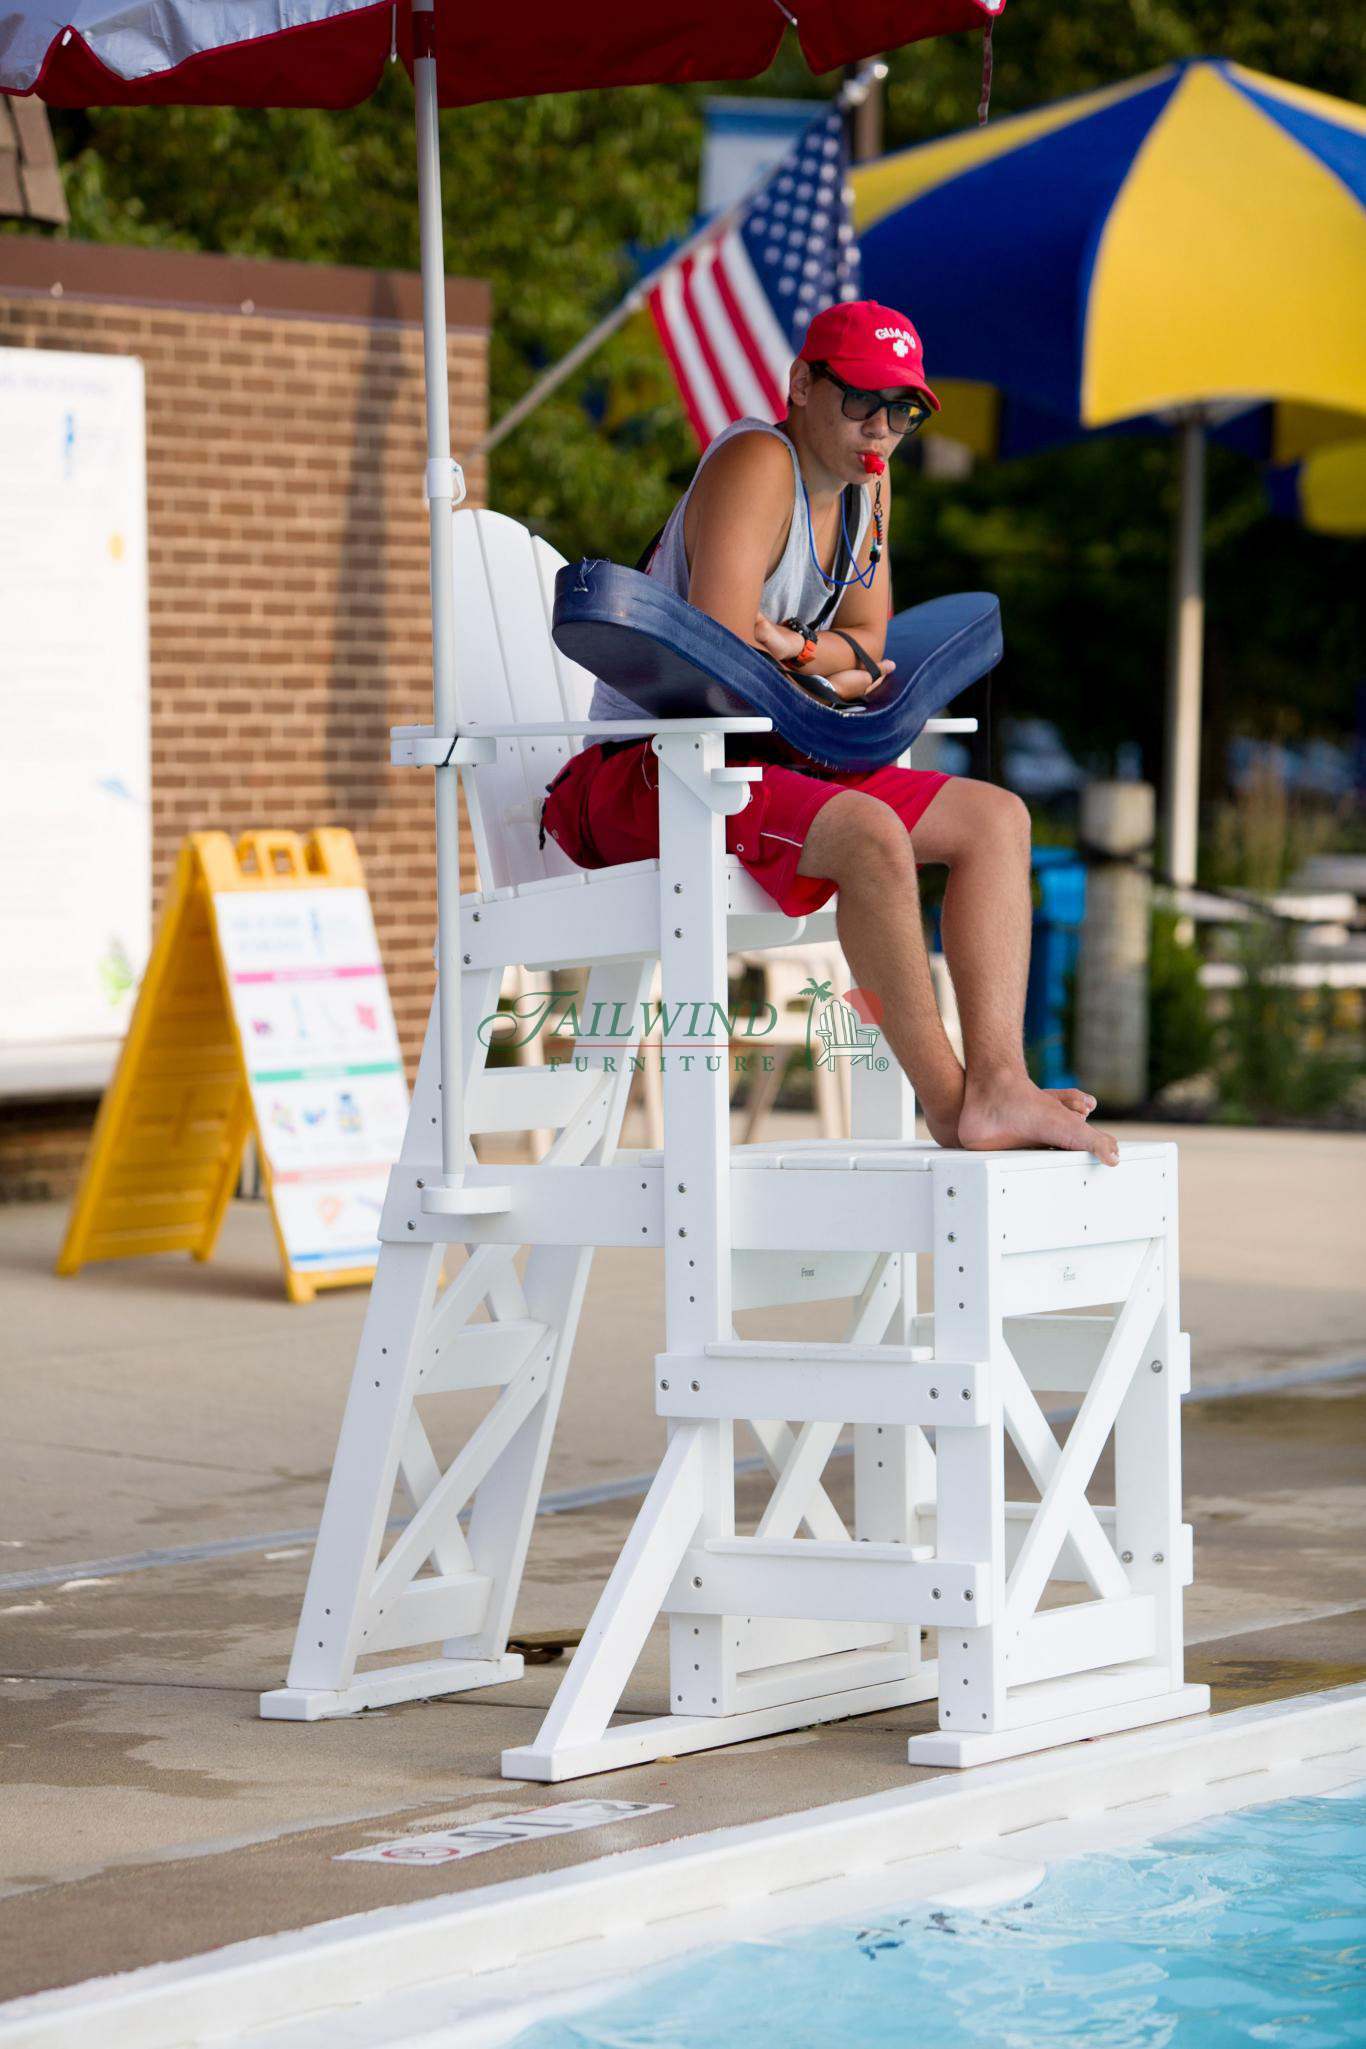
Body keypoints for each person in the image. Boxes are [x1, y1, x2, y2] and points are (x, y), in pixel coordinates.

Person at [540, 299, 1116, 1164]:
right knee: (870, 833)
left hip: (765, 754)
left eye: (905, 410)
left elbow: (872, 647)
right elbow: (722, 660)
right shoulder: (757, 462)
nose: (882, 428)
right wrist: (828, 669)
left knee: (997, 821)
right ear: (802, 384)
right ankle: (955, 1101)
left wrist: (804, 649)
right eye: (862, 401)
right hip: (651, 772)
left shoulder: (867, 484)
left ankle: (1000, 1081)